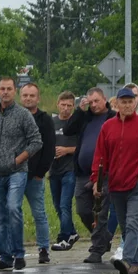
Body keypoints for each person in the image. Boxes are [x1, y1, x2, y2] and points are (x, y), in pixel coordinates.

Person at [91, 88, 138, 274]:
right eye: (124, 102)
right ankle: (136, 263)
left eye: (131, 101)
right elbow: (100, 155)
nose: (128, 105)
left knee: (132, 223)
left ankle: (127, 261)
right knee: (126, 225)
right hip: (116, 185)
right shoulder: (108, 127)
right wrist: (96, 180)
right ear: (117, 104)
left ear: (136, 103)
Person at [0, 77, 43, 272]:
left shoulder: (23, 115)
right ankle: (5, 257)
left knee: (13, 208)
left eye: (9, 89)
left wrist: (19, 159)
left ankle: (19, 254)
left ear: (14, 91)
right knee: (0, 216)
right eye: (2, 89)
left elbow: (36, 141)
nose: (6, 92)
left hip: (17, 171)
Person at [73, 89, 116, 264]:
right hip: (83, 173)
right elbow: (69, 129)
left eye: (96, 101)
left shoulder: (113, 117)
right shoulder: (86, 117)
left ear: (104, 99)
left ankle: (97, 249)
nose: (94, 105)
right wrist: (79, 111)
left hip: (104, 173)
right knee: (82, 209)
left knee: (100, 211)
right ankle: (104, 238)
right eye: (90, 102)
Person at [18, 83, 55, 265]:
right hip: (14, 174)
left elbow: (49, 148)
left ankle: (43, 248)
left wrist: (41, 172)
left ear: (38, 98)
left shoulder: (45, 120)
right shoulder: (14, 117)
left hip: (34, 176)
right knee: (7, 210)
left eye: (32, 95)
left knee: (39, 213)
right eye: (25, 95)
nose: (28, 98)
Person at [50, 91, 81, 251]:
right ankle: (73, 233)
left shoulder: (76, 124)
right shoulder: (52, 122)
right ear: (58, 105)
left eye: (69, 106)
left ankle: (64, 237)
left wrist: (67, 150)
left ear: (73, 107)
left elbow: (83, 147)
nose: (66, 109)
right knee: (56, 205)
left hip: (70, 169)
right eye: (63, 105)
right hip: (54, 170)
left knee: (64, 204)